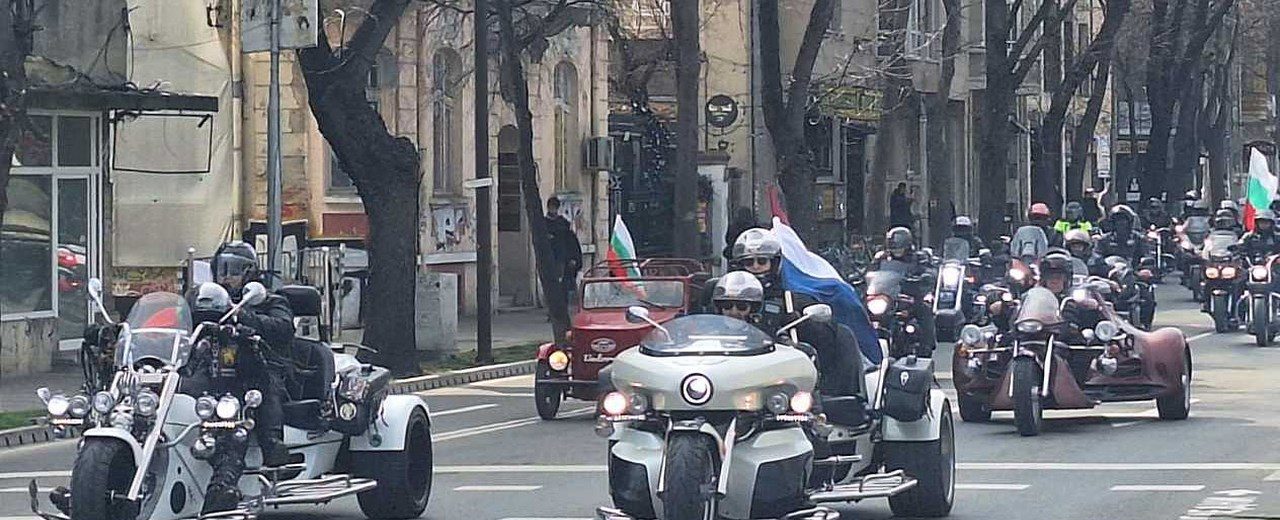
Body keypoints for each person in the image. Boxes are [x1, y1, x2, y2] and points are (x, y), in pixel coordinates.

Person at [203, 241, 295, 514]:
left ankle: (270, 444)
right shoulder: (207, 301)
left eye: (232, 271)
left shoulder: (269, 299)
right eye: (221, 270)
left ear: (249, 273)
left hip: (260, 368)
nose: (225, 277)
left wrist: (246, 318)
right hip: (212, 370)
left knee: (255, 395)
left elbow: (283, 327)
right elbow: (179, 319)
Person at [721, 238, 864, 397]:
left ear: (774, 263)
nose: (755, 266)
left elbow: (824, 340)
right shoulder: (721, 290)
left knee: (841, 336)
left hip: (774, 368)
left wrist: (800, 323)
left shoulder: (792, 298)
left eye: (762, 261)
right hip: (728, 366)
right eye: (727, 305)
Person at [870, 227, 938, 356]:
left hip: (909, 295)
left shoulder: (918, 257)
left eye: (899, 248)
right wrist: (861, 278)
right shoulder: (881, 257)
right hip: (887, 296)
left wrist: (924, 277)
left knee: (924, 309)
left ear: (907, 245)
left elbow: (929, 271)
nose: (896, 251)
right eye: (893, 247)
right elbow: (871, 271)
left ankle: (926, 346)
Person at [545, 197, 583, 308]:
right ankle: (553, 308)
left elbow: (571, 242)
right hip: (548, 259)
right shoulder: (543, 224)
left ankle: (562, 307)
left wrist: (573, 258)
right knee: (551, 285)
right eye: (551, 207)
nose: (553, 210)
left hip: (562, 259)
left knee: (563, 285)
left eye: (554, 207)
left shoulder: (563, 224)